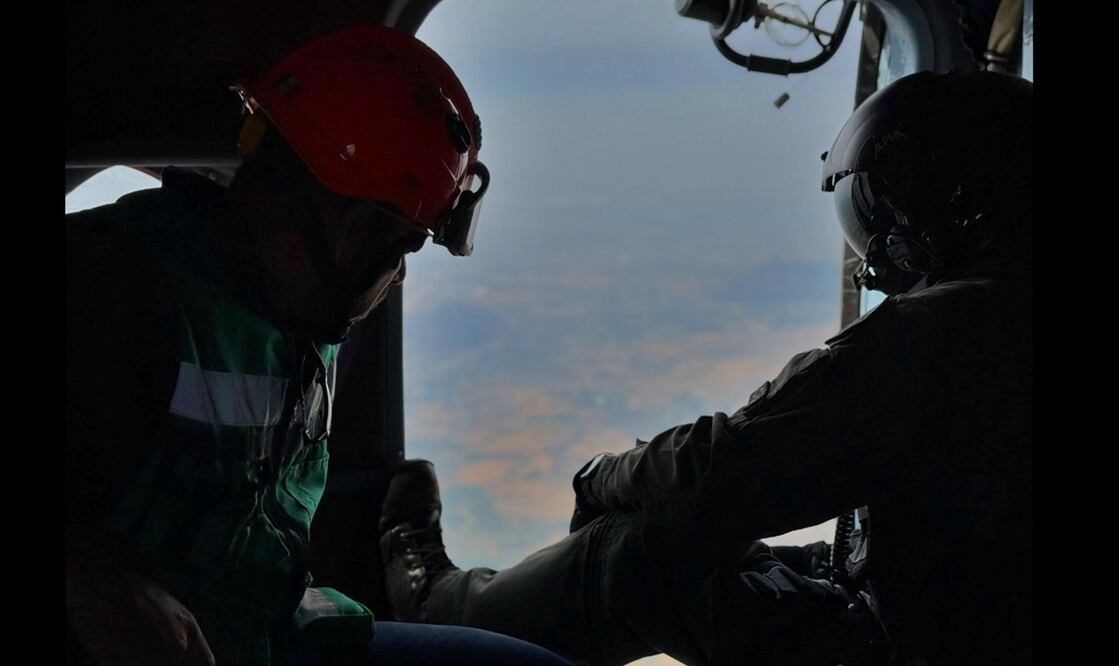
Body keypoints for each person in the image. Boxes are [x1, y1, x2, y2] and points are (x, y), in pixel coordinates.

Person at [378, 70, 1033, 666]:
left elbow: (727, 468)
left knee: (643, 556)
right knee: (741, 554)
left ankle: (443, 610)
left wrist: (603, 478)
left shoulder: (954, 329)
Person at [65, 24, 570, 666]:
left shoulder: (297, 315)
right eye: (401, 248)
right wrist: (93, 581)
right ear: (351, 231)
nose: (400, 275)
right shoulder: (112, 284)